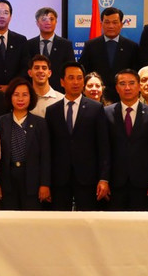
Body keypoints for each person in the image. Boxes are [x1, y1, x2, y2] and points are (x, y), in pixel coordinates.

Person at [45, 61, 110, 211]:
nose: (76, 82)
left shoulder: (96, 108)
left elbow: (103, 146)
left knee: (88, 224)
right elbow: (48, 149)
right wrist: (46, 182)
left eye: (79, 78)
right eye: (71, 78)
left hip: (88, 178)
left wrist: (104, 178)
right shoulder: (52, 111)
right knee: (61, 225)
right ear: (62, 81)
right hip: (59, 179)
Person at [105, 69, 148, 211]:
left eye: (132, 83)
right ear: (117, 88)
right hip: (115, 182)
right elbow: (104, 150)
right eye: (122, 84)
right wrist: (104, 179)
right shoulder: (106, 113)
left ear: (138, 86)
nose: (127, 87)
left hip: (144, 183)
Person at [0, 78, 50, 210]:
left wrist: (45, 184)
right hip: (7, 180)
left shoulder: (40, 123)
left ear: (31, 98)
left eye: (25, 95)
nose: (20, 99)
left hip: (32, 181)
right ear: (10, 97)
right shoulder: (1, 122)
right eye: (16, 94)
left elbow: (46, 156)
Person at [79, 7, 140, 103]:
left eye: (115, 22)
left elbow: (135, 74)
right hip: (96, 98)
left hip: (123, 98)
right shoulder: (90, 46)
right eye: (107, 22)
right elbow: (84, 72)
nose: (111, 26)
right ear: (101, 24)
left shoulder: (132, 47)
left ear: (121, 24)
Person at [27, 7, 75, 93]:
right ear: (37, 23)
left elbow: (70, 70)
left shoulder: (65, 45)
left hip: (59, 92)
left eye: (51, 19)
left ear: (56, 22)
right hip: (34, 92)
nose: (48, 22)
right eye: (44, 19)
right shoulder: (29, 44)